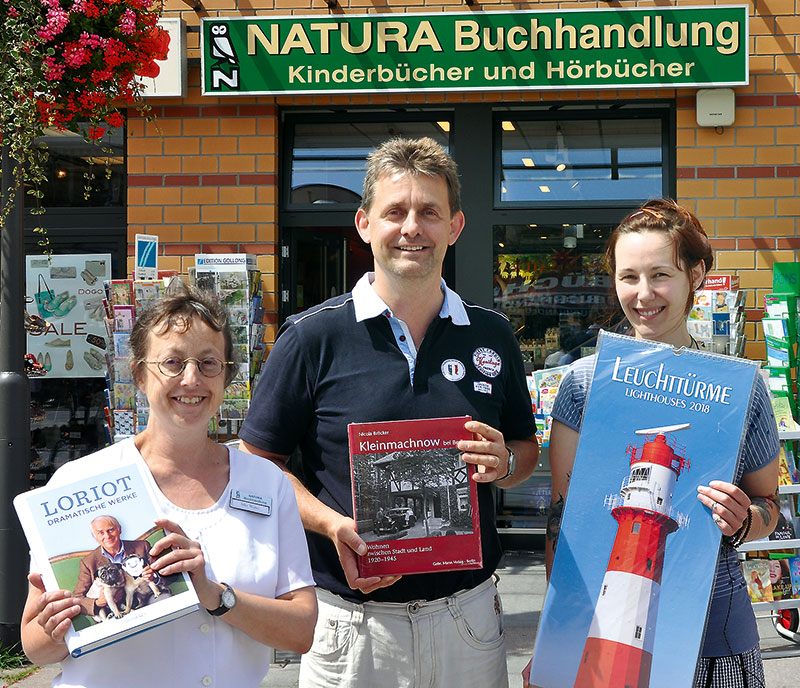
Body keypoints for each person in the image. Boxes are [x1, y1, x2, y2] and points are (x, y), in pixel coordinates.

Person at [239, 137, 539, 688]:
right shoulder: (311, 337)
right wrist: (334, 526)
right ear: (364, 224)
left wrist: (505, 464)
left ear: (455, 226)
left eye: (430, 212)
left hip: (467, 621)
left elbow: (525, 449)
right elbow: (257, 463)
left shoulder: (492, 334)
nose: (412, 228)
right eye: (395, 212)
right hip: (351, 628)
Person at [526, 199, 780, 688]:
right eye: (628, 276)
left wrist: (746, 519)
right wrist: (555, 641)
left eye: (660, 274)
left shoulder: (738, 388)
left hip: (715, 642)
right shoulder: (583, 383)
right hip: (602, 639)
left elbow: (772, 508)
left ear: (696, 274)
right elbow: (563, 525)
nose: (644, 294)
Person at [21, 287, 317, 687]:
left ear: (227, 376)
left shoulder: (266, 483)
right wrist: (57, 626)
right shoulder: (78, 484)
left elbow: (300, 631)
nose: (191, 379)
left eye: (208, 363)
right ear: (140, 375)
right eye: (173, 363)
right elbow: (35, 647)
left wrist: (214, 594)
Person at [72, 514, 153, 617]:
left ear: (119, 530)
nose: (107, 536)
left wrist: (154, 577)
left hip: (146, 597)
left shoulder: (142, 546)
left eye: (110, 530)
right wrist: (98, 602)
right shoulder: (88, 562)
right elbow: (77, 598)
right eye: (100, 533)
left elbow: (165, 573)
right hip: (114, 612)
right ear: (95, 537)